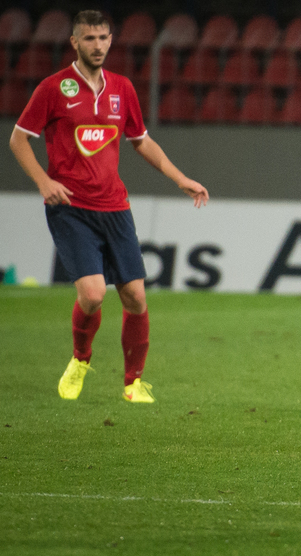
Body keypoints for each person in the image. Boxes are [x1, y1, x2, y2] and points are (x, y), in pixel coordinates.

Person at [9, 10, 209, 404]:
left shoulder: (122, 88)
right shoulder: (53, 88)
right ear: (75, 43)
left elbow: (141, 140)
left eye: (103, 38)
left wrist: (179, 178)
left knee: (135, 296)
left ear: (111, 40)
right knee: (94, 294)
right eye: (89, 39)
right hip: (70, 207)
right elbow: (18, 139)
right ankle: (80, 359)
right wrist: (44, 182)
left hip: (115, 207)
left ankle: (133, 384)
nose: (97, 45)